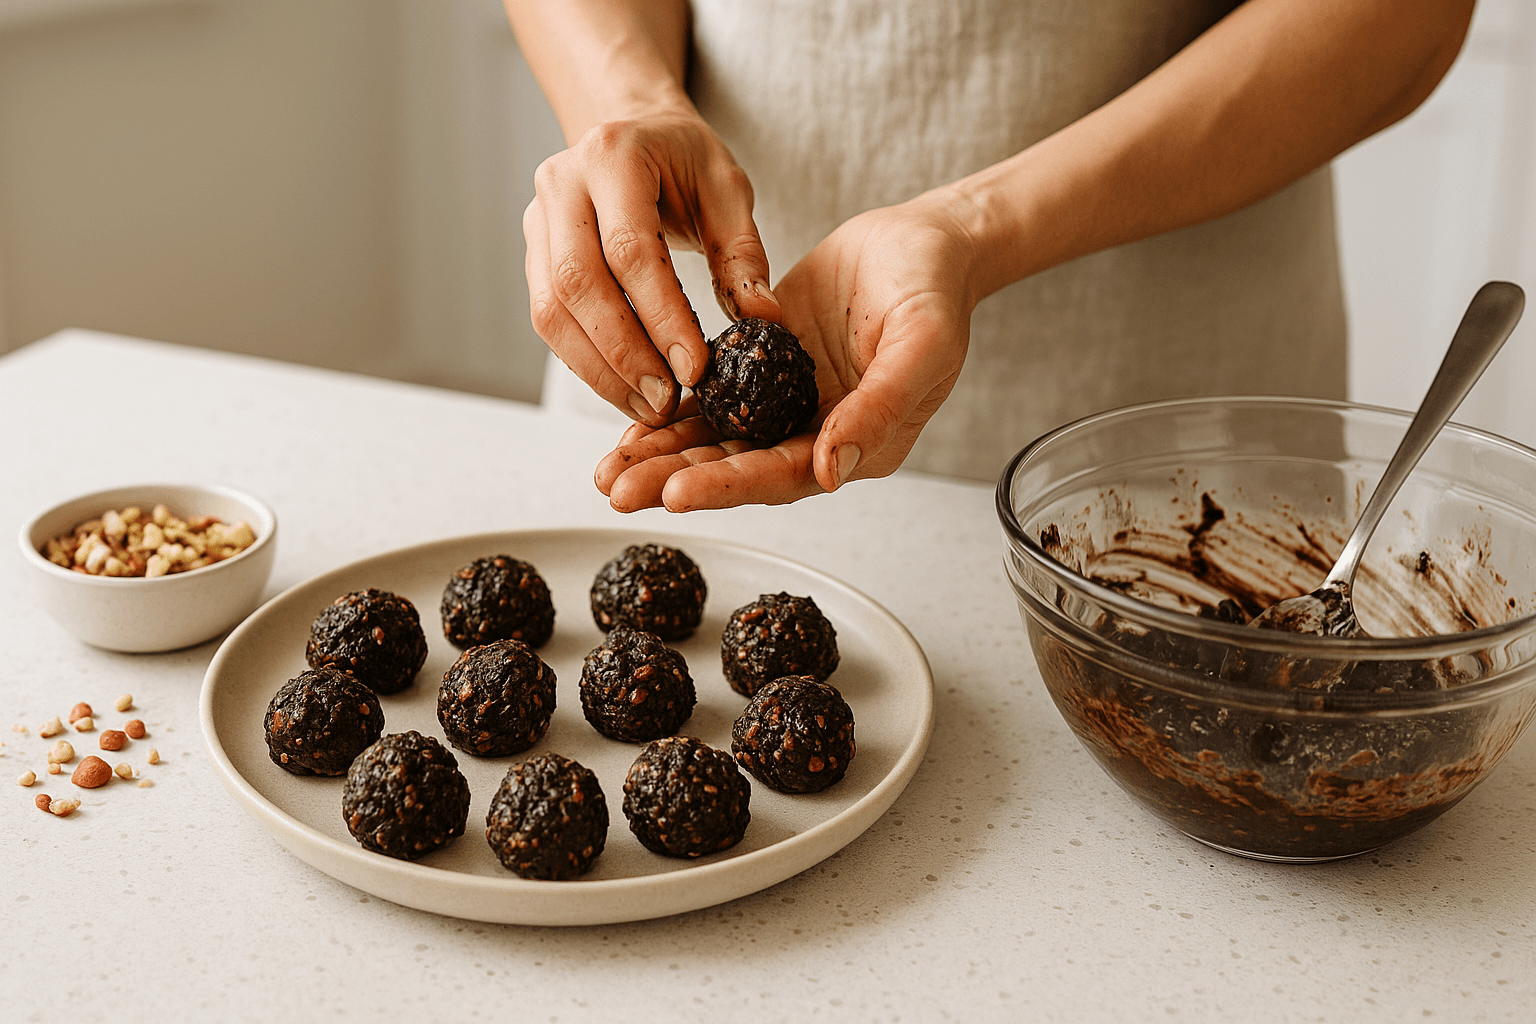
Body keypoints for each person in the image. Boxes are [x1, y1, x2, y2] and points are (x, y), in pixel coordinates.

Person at [504, 0, 1475, 512]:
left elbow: (1407, 16)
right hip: (678, 336)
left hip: (1165, 400)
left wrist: (973, 228)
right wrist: (629, 106)